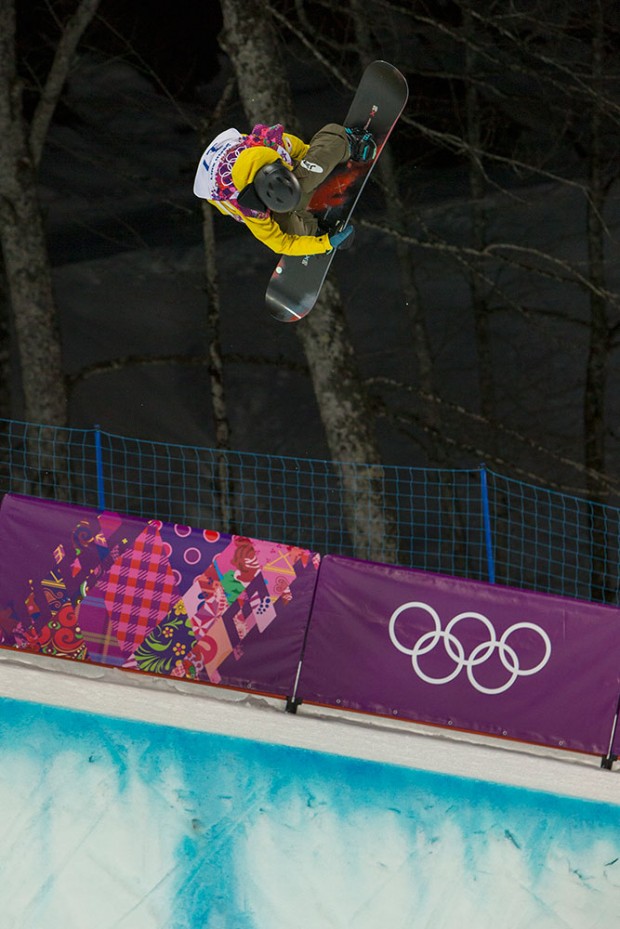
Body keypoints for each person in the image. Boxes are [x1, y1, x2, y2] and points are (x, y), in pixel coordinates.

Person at [193, 122, 376, 256]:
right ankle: (311, 229)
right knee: (286, 226)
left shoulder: (274, 143)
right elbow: (280, 243)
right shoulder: (249, 209)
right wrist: (324, 243)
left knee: (307, 175)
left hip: (243, 150)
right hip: (212, 183)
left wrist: (332, 155)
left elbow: (306, 153)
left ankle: (347, 141)